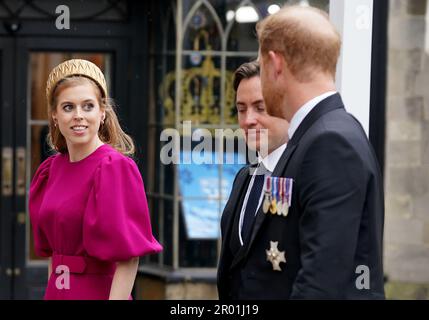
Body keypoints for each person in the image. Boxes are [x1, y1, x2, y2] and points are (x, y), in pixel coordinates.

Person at [250, 5, 385, 299]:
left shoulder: (330, 141)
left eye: (260, 67)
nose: (261, 79)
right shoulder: (315, 135)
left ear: (276, 64)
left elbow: (321, 281)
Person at [29, 59, 162, 300]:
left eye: (87, 106)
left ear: (102, 113)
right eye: (68, 107)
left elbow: (129, 258)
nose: (78, 116)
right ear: (55, 116)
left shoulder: (114, 168)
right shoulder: (50, 170)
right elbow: (53, 254)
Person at [217, 61, 289, 300]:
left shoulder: (301, 175)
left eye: (260, 107)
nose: (248, 120)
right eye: (241, 109)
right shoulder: (244, 178)